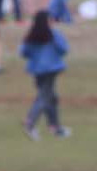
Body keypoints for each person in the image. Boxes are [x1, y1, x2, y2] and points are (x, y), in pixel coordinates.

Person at [20, 11, 71, 140]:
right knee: (44, 98)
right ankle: (30, 123)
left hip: (37, 71)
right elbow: (64, 49)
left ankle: (55, 127)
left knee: (51, 97)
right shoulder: (53, 35)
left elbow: (24, 52)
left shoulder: (32, 36)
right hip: (50, 70)